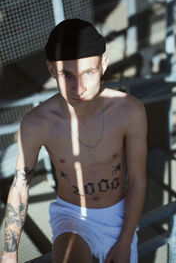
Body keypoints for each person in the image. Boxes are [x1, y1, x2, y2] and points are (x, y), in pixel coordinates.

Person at [1, 18, 147, 263]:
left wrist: (125, 241)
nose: (78, 88)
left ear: (103, 66)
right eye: (66, 75)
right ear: (51, 70)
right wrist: (8, 252)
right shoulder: (37, 122)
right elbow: (20, 187)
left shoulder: (128, 110)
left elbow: (138, 181)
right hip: (72, 217)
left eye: (88, 73)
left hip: (118, 215)